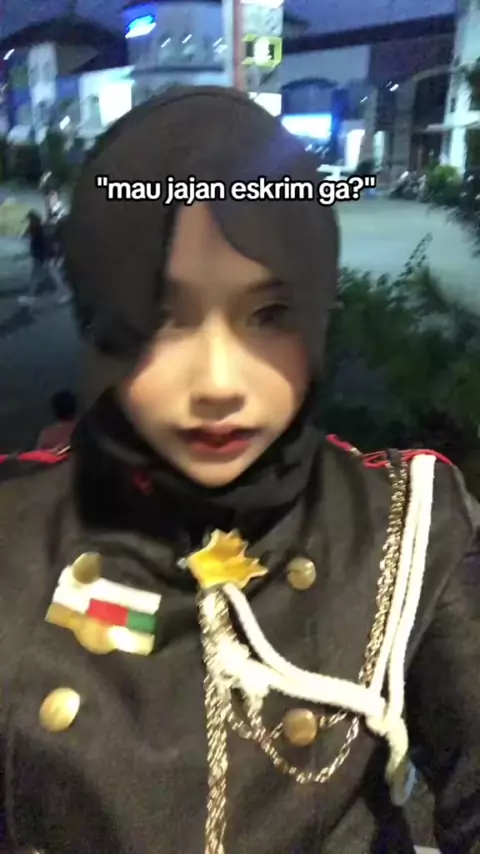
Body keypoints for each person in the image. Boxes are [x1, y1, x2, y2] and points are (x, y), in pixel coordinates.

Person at [0, 86, 479, 854]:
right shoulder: (15, 534)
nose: (220, 382)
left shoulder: (407, 526)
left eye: (270, 316)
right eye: (164, 318)